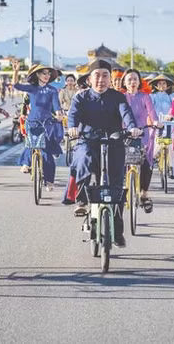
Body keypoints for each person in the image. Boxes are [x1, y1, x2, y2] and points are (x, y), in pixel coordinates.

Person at [67, 60, 141, 247]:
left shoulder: (118, 97)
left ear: (110, 78)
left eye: (105, 75)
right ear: (90, 78)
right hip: (88, 141)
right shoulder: (81, 97)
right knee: (83, 158)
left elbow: (127, 114)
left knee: (116, 187)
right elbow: (73, 115)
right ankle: (82, 201)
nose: (101, 79)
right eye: (97, 75)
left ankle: (117, 232)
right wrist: (73, 128)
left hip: (114, 142)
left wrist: (132, 128)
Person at [12, 59, 63, 191]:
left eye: (48, 73)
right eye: (43, 73)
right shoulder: (31, 88)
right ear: (37, 75)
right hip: (33, 121)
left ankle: (49, 181)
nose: (47, 75)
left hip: (47, 123)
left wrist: (58, 114)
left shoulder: (52, 90)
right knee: (32, 143)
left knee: (47, 153)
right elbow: (15, 85)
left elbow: (56, 105)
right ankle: (26, 163)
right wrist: (16, 71)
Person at [123, 69, 158, 212]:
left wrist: (155, 122)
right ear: (124, 82)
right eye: (129, 79)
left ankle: (144, 193)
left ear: (139, 82)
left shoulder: (145, 97)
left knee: (146, 161)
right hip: (124, 134)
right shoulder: (121, 97)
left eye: (135, 79)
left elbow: (152, 112)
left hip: (142, 133)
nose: (132, 82)